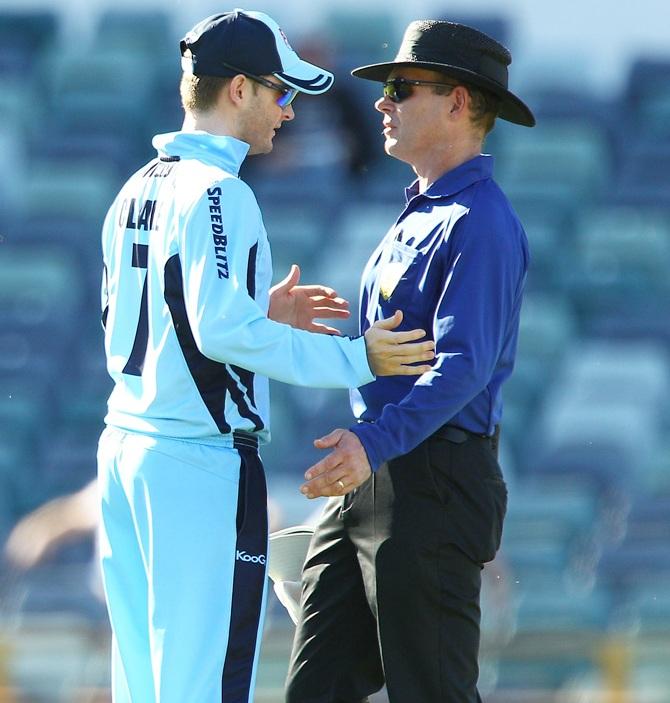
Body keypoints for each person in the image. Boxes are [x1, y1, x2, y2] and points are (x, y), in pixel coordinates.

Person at [97, 9, 435, 703]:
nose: (289, 113)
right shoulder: (222, 192)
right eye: (282, 94)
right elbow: (221, 333)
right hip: (192, 464)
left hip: (125, 452)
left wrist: (262, 315)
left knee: (143, 683)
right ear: (240, 90)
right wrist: (356, 357)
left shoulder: (137, 185)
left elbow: (167, 319)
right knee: (203, 685)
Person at [285, 19, 535, 703]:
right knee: (315, 691)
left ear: (458, 101)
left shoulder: (479, 220)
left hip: (431, 480)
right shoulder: (424, 212)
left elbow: (463, 368)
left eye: (401, 87)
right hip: (380, 474)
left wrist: (371, 443)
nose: (381, 102)